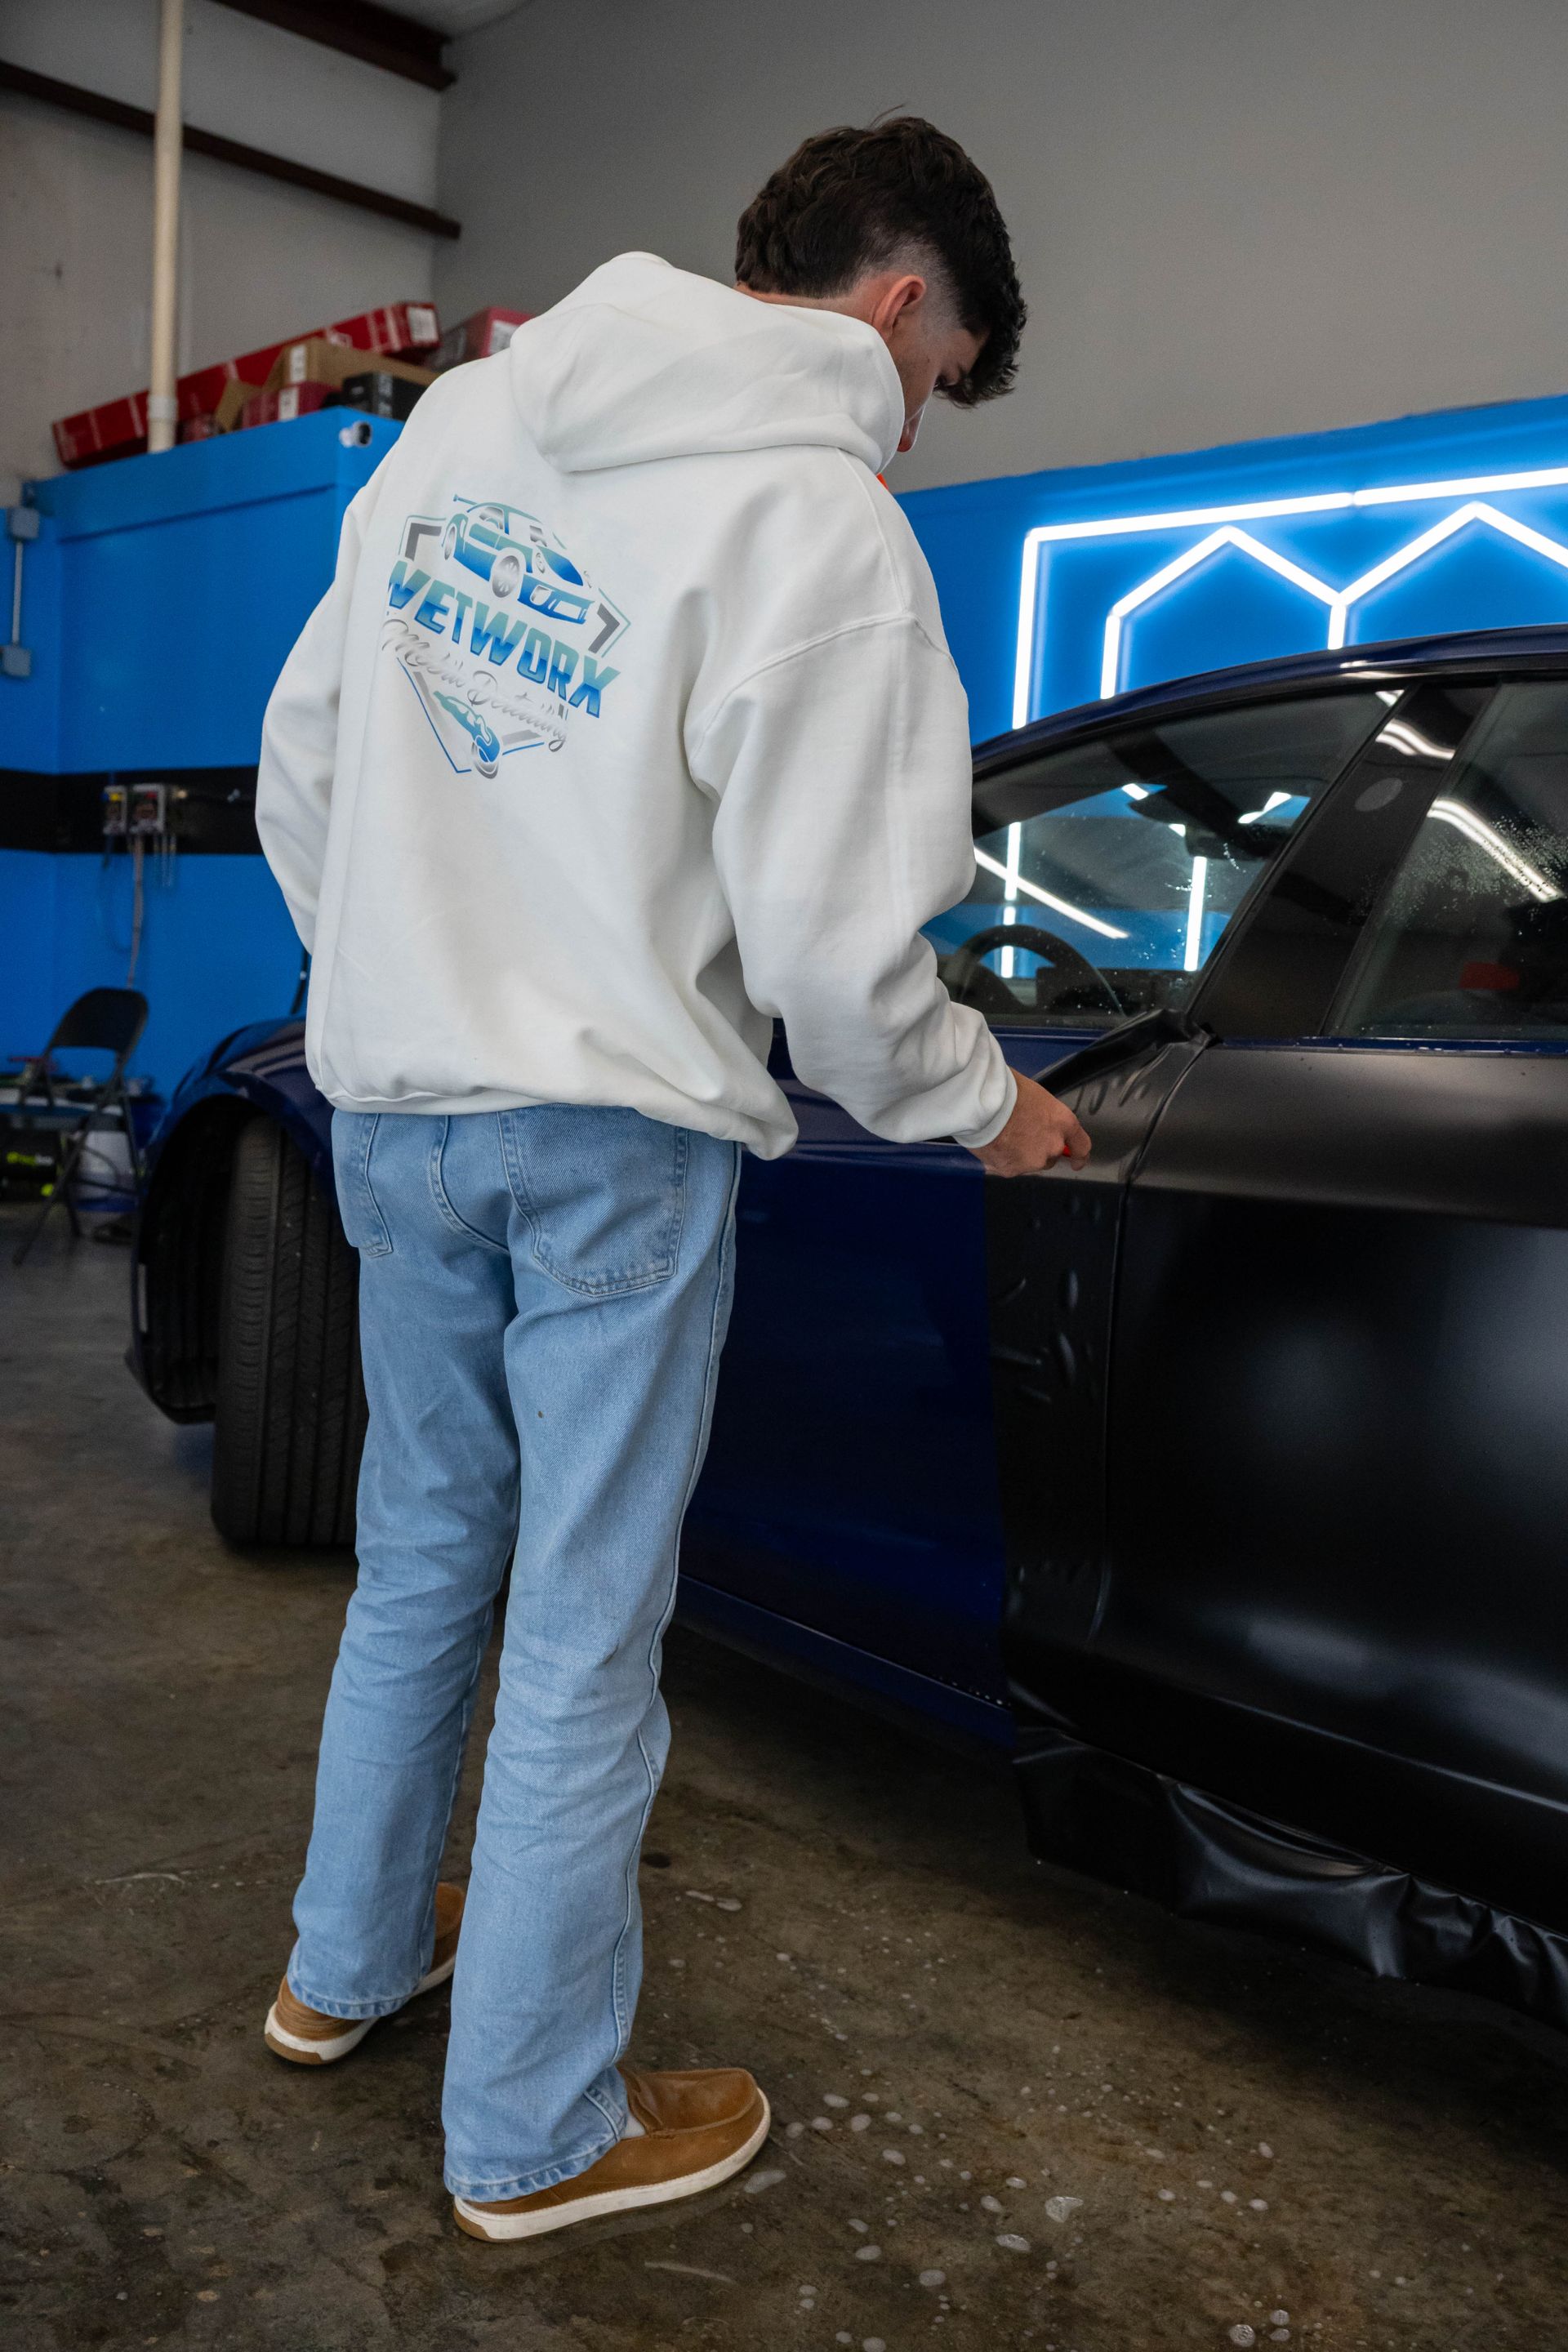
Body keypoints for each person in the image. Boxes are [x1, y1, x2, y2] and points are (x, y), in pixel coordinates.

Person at [253, 114, 1091, 2245]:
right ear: (900, 307)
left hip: (400, 1110)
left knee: (427, 1552)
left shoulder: (465, 422)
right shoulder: (816, 526)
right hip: (615, 1140)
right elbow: (831, 955)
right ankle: (534, 2134)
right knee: (588, 1630)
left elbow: (307, 767)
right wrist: (985, 1105)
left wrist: (406, 983)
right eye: (936, 384)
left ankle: (344, 1971)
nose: (912, 433)